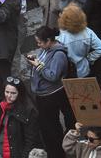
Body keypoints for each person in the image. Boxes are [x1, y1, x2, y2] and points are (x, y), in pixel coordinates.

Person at [28, 25, 71, 158]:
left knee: (52, 128)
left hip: (51, 96)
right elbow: (44, 63)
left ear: (48, 41)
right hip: (42, 94)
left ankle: (57, 153)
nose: (38, 45)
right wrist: (35, 59)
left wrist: (38, 65)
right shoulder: (46, 50)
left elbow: (53, 76)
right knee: (46, 128)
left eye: (40, 42)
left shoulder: (59, 55)